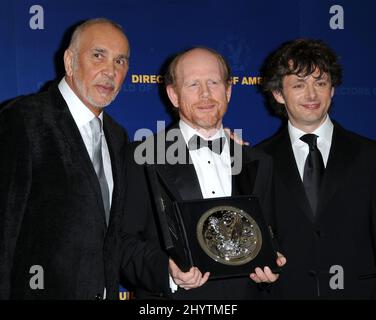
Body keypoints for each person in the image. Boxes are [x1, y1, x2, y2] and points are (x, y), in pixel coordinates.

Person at [120, 47, 285, 299]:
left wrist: (272, 267)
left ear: (228, 90)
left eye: (213, 82)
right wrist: (167, 271)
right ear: (173, 95)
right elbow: (122, 243)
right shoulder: (141, 158)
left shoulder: (259, 162)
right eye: (193, 84)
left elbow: (272, 236)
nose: (205, 94)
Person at [0, 18, 130, 299]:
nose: (111, 71)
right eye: (98, 56)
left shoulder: (118, 137)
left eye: (120, 61)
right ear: (70, 61)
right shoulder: (22, 120)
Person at [257, 39, 376, 299]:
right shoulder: (257, 161)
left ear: (332, 89)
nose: (311, 95)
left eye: (320, 83)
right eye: (299, 85)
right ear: (278, 94)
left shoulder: (370, 156)